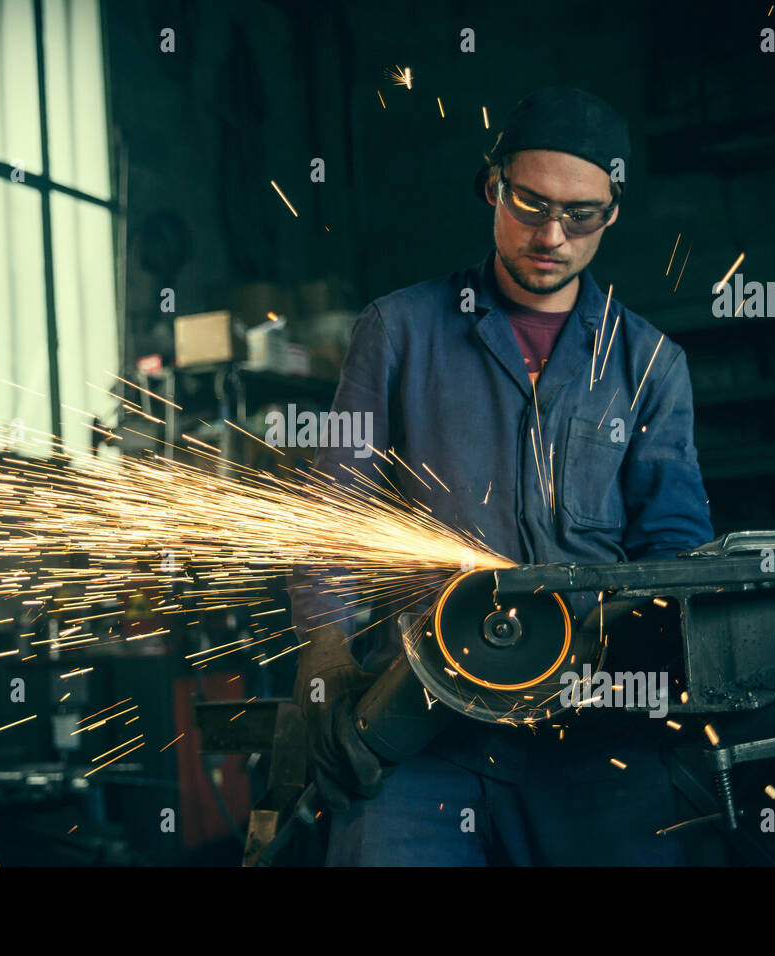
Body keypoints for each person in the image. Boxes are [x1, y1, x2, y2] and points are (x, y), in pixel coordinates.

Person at [288, 87, 714, 866]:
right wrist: (324, 649)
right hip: (423, 724)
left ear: (611, 212)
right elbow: (334, 506)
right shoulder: (400, 331)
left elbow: (676, 552)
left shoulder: (649, 364)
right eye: (530, 203)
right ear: (493, 186)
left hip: (590, 740)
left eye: (581, 214)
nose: (552, 234)